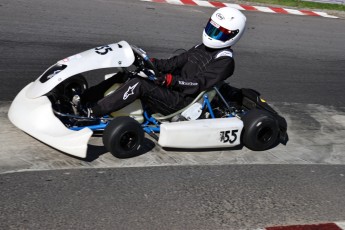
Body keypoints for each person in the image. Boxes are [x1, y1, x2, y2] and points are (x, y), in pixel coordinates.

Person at [77, 7, 247, 117]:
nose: (213, 35)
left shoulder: (225, 61)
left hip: (185, 102)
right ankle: (83, 99)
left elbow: (198, 84)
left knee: (139, 84)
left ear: (233, 35)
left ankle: (93, 112)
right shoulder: (200, 47)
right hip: (173, 90)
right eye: (212, 29)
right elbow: (173, 63)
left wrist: (171, 80)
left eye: (220, 33)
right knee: (127, 74)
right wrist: (148, 61)